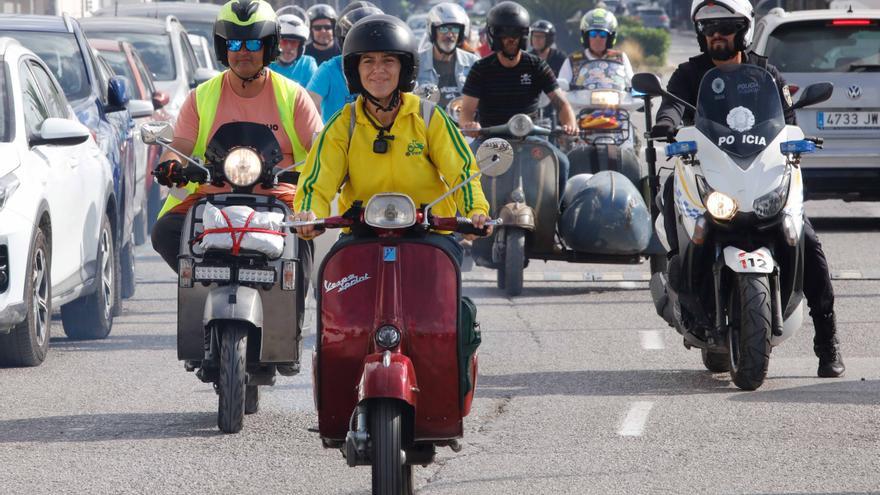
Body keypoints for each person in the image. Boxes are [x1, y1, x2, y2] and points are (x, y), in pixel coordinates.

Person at [651, 0, 844, 378]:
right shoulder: (689, 74)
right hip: (707, 172)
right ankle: (682, 282)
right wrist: (665, 123)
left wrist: (797, 138)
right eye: (708, 28)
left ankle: (828, 341)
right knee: (671, 193)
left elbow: (787, 119)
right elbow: (670, 109)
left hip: (758, 172)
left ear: (743, 29)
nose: (716, 35)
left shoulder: (764, 72)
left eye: (724, 26)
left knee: (805, 239)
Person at [150, 0, 323, 374]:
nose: (243, 53)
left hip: (277, 195)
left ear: (269, 46)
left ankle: (290, 329)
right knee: (164, 231)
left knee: (302, 242)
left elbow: (321, 149)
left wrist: (319, 184)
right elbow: (180, 146)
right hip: (212, 193)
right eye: (234, 45)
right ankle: (202, 308)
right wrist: (171, 166)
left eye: (252, 44)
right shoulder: (201, 96)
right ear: (222, 47)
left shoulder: (294, 96)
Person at [292, 14, 491, 263]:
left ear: (404, 68)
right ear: (355, 70)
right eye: (368, 61)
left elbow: (462, 172)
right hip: (361, 233)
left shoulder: (429, 116)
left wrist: (476, 211)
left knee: (446, 295)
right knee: (334, 291)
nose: (378, 70)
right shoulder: (344, 123)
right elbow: (317, 180)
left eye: (388, 60)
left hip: (429, 233)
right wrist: (309, 213)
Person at [459, 1, 577, 196]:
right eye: (505, 36)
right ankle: (464, 222)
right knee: (462, 166)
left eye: (515, 35)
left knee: (562, 163)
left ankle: (555, 216)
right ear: (494, 36)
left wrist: (570, 124)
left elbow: (561, 102)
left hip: (528, 136)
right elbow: (466, 111)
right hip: (489, 137)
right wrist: (469, 126)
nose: (511, 40)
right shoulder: (481, 69)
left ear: (524, 37)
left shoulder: (536, 65)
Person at [307, 5, 383, 122]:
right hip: (339, 139)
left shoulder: (387, 68)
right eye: (359, 40)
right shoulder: (329, 69)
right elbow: (308, 107)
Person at [416, 2, 478, 108]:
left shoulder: (473, 63)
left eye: (454, 29)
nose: (449, 35)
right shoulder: (417, 63)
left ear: (461, 33)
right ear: (433, 32)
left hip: (463, 123)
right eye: (443, 29)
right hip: (429, 123)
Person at [558, 8, 633, 88]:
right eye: (593, 34)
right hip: (580, 100)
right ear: (586, 37)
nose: (598, 39)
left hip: (616, 100)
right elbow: (560, 87)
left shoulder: (620, 58)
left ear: (610, 38)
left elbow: (632, 84)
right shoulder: (572, 60)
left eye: (603, 34)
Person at [270, 14, 318, 87]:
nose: (289, 47)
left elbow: (313, 94)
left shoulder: (307, 64)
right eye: (284, 41)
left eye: (294, 42)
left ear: (300, 47)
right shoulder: (266, 65)